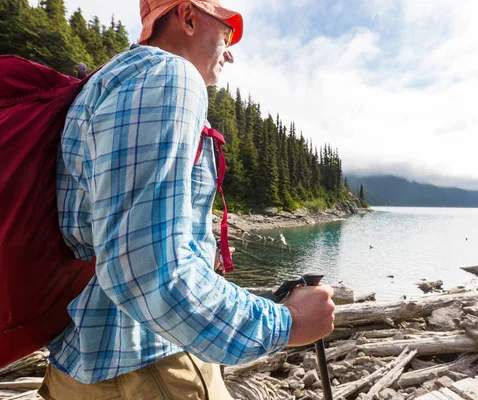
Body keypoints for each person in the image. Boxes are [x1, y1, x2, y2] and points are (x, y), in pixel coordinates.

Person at [38, 1, 335, 398]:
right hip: (149, 367)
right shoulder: (168, 75)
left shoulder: (111, 82)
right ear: (189, 18)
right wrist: (290, 322)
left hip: (84, 364)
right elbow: (149, 275)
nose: (230, 52)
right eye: (227, 34)